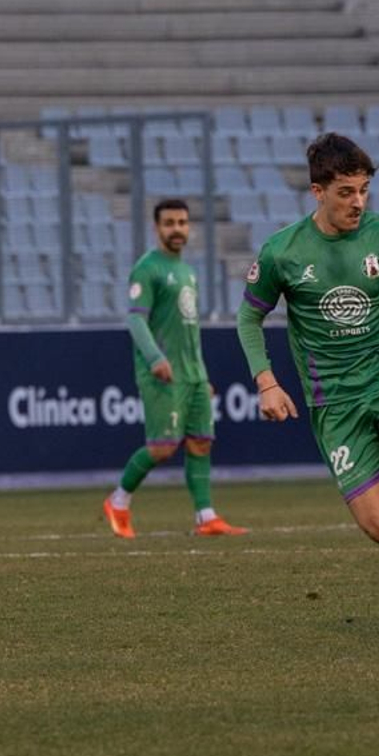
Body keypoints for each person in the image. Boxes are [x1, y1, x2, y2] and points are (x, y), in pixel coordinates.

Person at [236, 134, 379, 645]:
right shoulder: (283, 252)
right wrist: (266, 382)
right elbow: (249, 318)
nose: (358, 202)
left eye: (363, 190)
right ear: (317, 192)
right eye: (345, 192)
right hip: (335, 402)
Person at [102, 198, 247, 539]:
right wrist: (155, 359)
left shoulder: (187, 271)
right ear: (157, 228)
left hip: (192, 373)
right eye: (169, 223)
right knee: (162, 447)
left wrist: (201, 375)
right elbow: (135, 320)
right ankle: (118, 501)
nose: (177, 229)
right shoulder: (147, 268)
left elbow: (188, 330)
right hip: (162, 373)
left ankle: (206, 516)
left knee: (200, 442)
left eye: (182, 222)